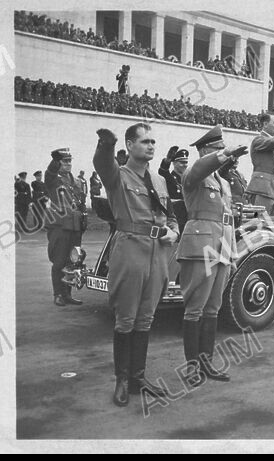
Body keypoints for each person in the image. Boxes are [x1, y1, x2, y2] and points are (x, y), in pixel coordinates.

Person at [93, 123, 179, 406]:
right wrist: (107, 143)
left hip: (157, 253)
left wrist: (174, 232)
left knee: (146, 318)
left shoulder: (160, 180)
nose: (151, 146)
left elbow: (172, 217)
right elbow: (102, 164)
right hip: (130, 248)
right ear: (129, 145)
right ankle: (121, 379)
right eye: (144, 141)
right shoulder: (118, 176)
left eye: (153, 141)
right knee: (126, 318)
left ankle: (138, 379)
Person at [177, 125, 248, 386]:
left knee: (213, 307)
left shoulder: (223, 183)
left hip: (222, 249)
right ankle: (191, 367)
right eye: (219, 150)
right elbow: (199, 168)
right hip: (201, 248)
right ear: (206, 151)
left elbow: (227, 219)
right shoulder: (193, 175)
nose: (225, 155)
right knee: (195, 308)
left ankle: (206, 361)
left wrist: (231, 254)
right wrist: (221, 156)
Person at [44, 148, 88, 306]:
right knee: (59, 261)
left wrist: (84, 217)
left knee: (73, 261)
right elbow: (49, 173)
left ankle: (68, 294)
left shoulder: (77, 181)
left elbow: (81, 202)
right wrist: (55, 160)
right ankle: (58, 294)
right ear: (59, 163)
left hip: (75, 226)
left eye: (70, 161)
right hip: (60, 226)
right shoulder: (53, 180)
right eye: (64, 161)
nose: (68, 164)